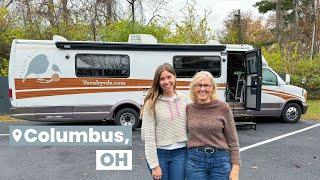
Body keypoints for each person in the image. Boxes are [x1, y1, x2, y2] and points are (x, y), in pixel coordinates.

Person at [185, 71, 240, 180]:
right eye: (198, 85)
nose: (202, 89)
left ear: (213, 88)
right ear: (193, 88)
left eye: (206, 85)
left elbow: (233, 141)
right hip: (195, 161)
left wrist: (235, 168)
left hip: (221, 160)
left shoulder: (223, 107)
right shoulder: (188, 109)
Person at [141, 63, 188, 180]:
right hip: (159, 154)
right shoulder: (151, 104)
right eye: (162, 79)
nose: (166, 82)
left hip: (180, 153)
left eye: (169, 77)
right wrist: (154, 165)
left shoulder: (185, 100)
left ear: (175, 77)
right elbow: (149, 136)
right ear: (158, 81)